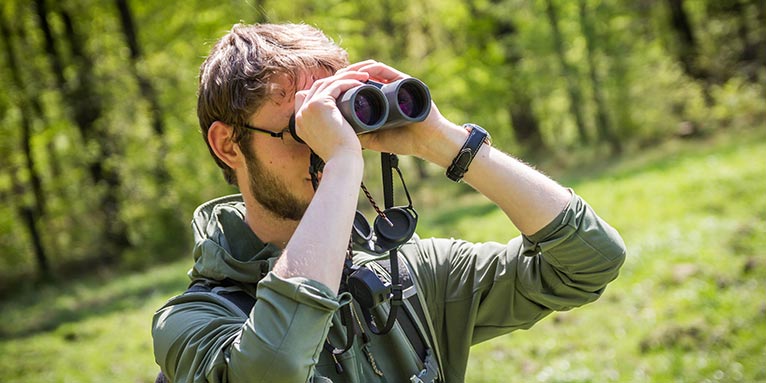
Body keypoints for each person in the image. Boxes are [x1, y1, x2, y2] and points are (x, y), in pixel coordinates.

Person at [152, 22, 626, 383]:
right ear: (228, 144)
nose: (324, 144)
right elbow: (272, 369)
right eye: (301, 126)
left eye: (336, 120)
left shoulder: (411, 274)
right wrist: (340, 166)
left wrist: (444, 142)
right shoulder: (192, 324)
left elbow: (588, 261)